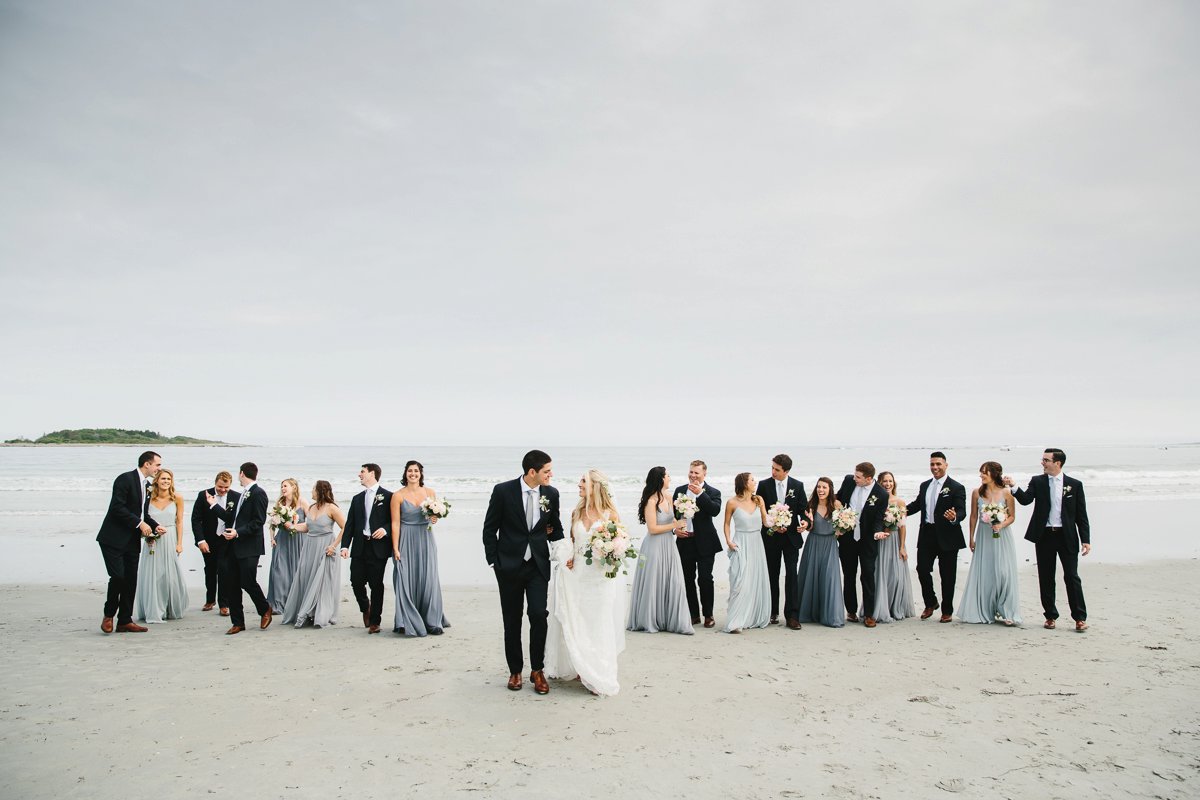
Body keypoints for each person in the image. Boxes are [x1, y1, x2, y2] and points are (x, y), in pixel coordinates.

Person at [482, 449, 565, 694]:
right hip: (508, 566)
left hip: (538, 565)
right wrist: (494, 561)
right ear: (532, 472)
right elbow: (490, 528)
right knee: (512, 620)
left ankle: (537, 670)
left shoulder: (551, 493)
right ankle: (515, 671)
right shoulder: (503, 491)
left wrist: (569, 551)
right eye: (547, 471)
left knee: (539, 615)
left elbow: (555, 527)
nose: (551, 474)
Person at [545, 470, 626, 696]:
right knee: (579, 620)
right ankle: (581, 666)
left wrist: (612, 553)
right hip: (579, 575)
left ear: (595, 486)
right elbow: (574, 541)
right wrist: (569, 557)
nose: (579, 484)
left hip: (599, 578)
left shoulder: (611, 515)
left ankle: (597, 670)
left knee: (598, 622)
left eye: (583, 481)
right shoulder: (577, 512)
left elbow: (618, 544)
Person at [1006, 448, 1091, 632]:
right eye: (1043, 460)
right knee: (1046, 577)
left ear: (1057, 463)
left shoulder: (1074, 485)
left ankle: (1079, 618)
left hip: (1066, 536)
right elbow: (1026, 500)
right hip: (1044, 536)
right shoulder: (1038, 481)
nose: (1042, 463)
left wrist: (1085, 539)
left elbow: (1081, 515)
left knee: (1072, 577)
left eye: (1046, 460)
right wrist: (1013, 486)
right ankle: (1050, 616)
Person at [96, 451, 163, 634]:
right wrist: (140, 524)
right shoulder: (125, 479)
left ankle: (125, 620)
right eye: (157, 464)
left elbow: (143, 514)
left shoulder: (147, 485)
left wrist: (155, 526)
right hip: (113, 539)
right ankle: (109, 615)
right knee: (118, 577)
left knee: (131, 580)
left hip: (132, 540)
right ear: (147, 464)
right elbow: (117, 507)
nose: (159, 468)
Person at [627, 467, 694, 635]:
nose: (670, 478)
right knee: (653, 581)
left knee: (674, 580)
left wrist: (678, 526)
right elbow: (653, 529)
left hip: (669, 545)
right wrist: (674, 526)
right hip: (653, 546)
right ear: (661, 479)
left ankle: (671, 620)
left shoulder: (669, 497)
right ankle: (650, 620)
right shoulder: (651, 501)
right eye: (668, 476)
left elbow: (671, 521)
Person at [904, 451, 967, 623]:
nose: (935, 467)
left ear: (946, 465)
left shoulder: (956, 487)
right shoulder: (925, 485)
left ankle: (947, 610)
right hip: (927, 535)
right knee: (922, 569)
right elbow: (917, 504)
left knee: (948, 576)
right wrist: (899, 512)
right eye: (932, 464)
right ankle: (930, 603)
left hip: (948, 536)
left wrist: (954, 516)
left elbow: (962, 511)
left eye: (938, 464)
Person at [210, 462, 272, 635]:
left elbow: (258, 522)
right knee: (232, 584)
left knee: (248, 581)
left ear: (242, 473)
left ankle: (265, 608)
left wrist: (238, 532)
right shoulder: (241, 494)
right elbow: (234, 518)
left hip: (250, 547)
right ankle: (238, 622)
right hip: (233, 545)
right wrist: (214, 505)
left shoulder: (258, 493)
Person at [390, 460, 450, 637]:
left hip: (425, 538)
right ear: (405, 473)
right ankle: (404, 620)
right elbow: (395, 524)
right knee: (406, 580)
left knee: (428, 578)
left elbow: (434, 515)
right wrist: (395, 548)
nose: (413, 474)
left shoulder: (430, 492)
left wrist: (434, 518)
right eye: (410, 471)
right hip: (406, 539)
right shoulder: (397, 496)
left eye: (416, 471)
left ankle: (433, 621)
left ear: (421, 474)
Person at [960, 462, 1021, 626]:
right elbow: (973, 516)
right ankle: (986, 610)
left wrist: (1001, 524)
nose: (981, 476)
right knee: (986, 572)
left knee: (1004, 573)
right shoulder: (976, 493)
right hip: (984, 536)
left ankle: (1008, 611)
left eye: (984, 473)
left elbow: (1012, 517)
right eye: (980, 473)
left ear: (994, 474)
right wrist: (971, 537)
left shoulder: (1007, 493)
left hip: (1003, 537)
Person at [281, 480, 345, 628]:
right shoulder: (311, 507)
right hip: (309, 546)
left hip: (325, 547)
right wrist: (293, 527)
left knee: (322, 581)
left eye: (313, 489)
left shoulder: (332, 508)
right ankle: (309, 612)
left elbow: (345, 527)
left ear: (320, 491)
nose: (311, 492)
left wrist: (333, 546)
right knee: (307, 577)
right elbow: (308, 527)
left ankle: (320, 613)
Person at [339, 463, 393, 634]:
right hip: (360, 546)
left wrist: (385, 530)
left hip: (378, 547)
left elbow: (395, 521)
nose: (359, 474)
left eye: (362, 472)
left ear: (372, 473)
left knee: (376, 585)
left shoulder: (388, 496)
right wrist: (345, 546)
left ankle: (375, 621)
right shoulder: (357, 499)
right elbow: (350, 525)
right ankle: (365, 608)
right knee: (356, 581)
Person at [756, 454, 808, 630]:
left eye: (777, 469)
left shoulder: (797, 486)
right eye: (772, 468)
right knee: (772, 574)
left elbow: (803, 510)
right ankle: (772, 612)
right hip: (771, 537)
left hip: (791, 538)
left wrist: (805, 523)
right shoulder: (763, 485)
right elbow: (759, 512)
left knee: (792, 575)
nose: (773, 472)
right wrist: (772, 526)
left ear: (786, 471)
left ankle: (792, 616)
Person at [836, 462, 889, 628]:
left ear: (869, 479)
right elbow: (838, 500)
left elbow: (879, 519)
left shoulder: (881, 494)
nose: (854, 478)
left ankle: (869, 614)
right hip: (847, 538)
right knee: (849, 574)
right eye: (854, 475)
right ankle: (850, 611)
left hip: (868, 541)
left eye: (858, 477)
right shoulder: (848, 481)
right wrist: (838, 520)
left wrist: (877, 532)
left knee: (867, 575)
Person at [672, 460, 722, 629]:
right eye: (691, 472)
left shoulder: (714, 492)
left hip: (706, 542)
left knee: (705, 579)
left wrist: (701, 494)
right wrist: (675, 531)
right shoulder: (679, 491)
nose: (693, 475)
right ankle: (694, 615)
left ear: (704, 474)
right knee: (687, 579)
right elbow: (674, 517)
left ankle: (709, 614)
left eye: (697, 473)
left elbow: (714, 511)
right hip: (685, 541)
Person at [135, 467, 188, 622]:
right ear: (156, 480)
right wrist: (147, 535)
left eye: (168, 479)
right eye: (163, 478)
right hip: (153, 539)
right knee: (154, 575)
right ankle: (153, 608)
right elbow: (142, 519)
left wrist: (179, 543)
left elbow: (179, 521)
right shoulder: (148, 497)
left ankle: (170, 608)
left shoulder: (177, 497)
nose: (166, 481)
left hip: (170, 537)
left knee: (170, 575)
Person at [721, 472, 771, 633]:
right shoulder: (731, 503)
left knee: (755, 580)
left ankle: (751, 617)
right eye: (752, 480)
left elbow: (766, 521)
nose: (755, 482)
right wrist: (729, 541)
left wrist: (780, 520)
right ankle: (735, 621)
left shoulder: (759, 500)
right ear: (744, 483)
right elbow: (727, 524)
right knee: (739, 582)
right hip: (740, 543)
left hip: (756, 543)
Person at [866, 472, 915, 623]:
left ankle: (895, 607)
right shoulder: (875, 500)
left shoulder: (899, 502)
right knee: (879, 574)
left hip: (894, 541)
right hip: (879, 541)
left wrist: (902, 547)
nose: (888, 484)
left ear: (894, 483)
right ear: (879, 483)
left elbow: (902, 527)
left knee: (895, 576)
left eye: (890, 481)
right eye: (884, 481)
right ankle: (878, 607)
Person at [795, 477, 845, 628]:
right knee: (811, 576)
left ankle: (829, 615)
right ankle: (809, 614)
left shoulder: (836, 505)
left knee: (829, 578)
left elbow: (841, 527)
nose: (821, 490)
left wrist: (841, 529)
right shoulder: (811, 505)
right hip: (814, 543)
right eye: (818, 487)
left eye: (824, 487)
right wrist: (806, 525)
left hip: (830, 544)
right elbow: (809, 526)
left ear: (830, 489)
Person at [191, 471, 237, 615]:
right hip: (208, 540)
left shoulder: (236, 497)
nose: (223, 490)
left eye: (226, 487)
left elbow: (235, 519)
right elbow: (196, 519)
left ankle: (224, 604)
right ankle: (210, 599)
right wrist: (200, 540)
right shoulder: (203, 495)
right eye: (220, 487)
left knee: (224, 569)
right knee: (210, 569)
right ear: (215, 483)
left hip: (226, 539)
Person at [267, 478, 308, 615]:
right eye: (281, 486)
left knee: (296, 571)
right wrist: (272, 538)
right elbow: (272, 523)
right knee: (278, 571)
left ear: (294, 487)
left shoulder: (302, 502)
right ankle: (278, 603)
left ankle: (294, 602)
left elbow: (311, 522)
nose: (283, 488)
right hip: (282, 539)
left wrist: (297, 527)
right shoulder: (280, 503)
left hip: (298, 540)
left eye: (285, 486)